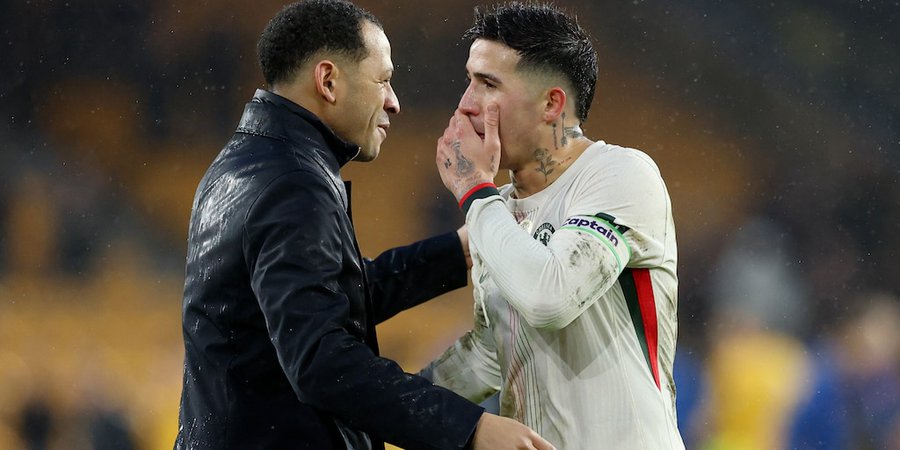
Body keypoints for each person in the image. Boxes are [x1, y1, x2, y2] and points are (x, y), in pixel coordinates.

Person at [175, 1, 554, 449]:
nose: (394, 102)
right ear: (328, 81)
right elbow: (321, 361)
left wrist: (460, 250)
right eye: (383, 80)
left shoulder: (243, 162)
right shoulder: (293, 182)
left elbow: (322, 301)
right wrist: (469, 428)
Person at [422, 3, 685, 448]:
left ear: (551, 104)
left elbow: (550, 300)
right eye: (468, 81)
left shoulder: (620, 174)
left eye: (488, 84)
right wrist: (385, 404)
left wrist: (473, 190)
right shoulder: (496, 210)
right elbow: (490, 354)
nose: (465, 104)